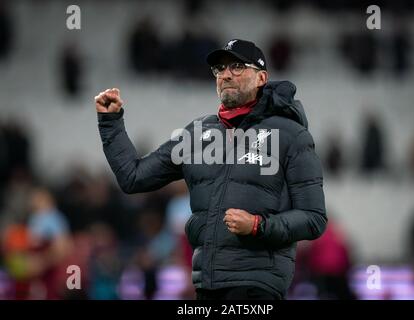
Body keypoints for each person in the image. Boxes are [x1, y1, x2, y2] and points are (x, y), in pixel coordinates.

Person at [95, 39, 327, 300]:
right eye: (220, 69)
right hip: (207, 284)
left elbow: (314, 218)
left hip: (258, 284)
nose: (226, 75)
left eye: (237, 67)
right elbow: (133, 178)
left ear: (261, 77)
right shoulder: (197, 134)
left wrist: (258, 226)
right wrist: (110, 121)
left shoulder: (290, 135)